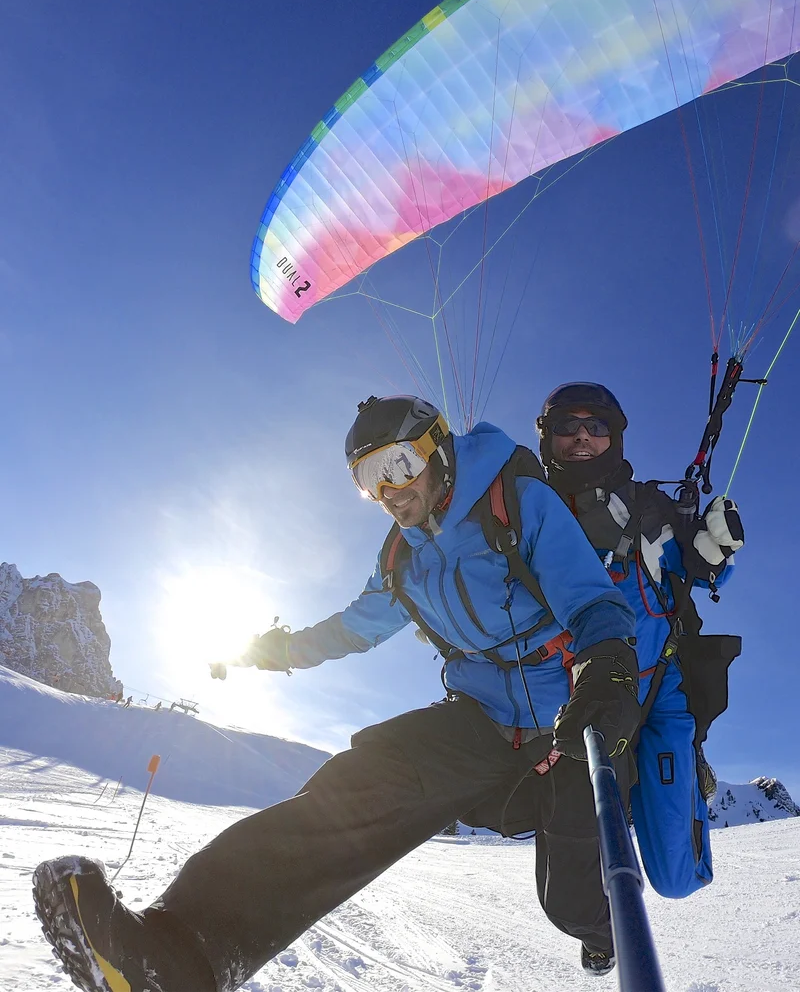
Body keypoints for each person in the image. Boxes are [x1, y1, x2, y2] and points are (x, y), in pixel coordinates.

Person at [33, 394, 638, 991]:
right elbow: (352, 629)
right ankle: (180, 956)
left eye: (398, 465)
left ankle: (600, 934)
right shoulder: (403, 559)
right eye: (369, 479)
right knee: (353, 789)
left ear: (439, 450)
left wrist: (607, 663)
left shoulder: (515, 500)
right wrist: (263, 651)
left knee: (571, 901)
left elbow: (590, 598)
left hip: (568, 711)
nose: (390, 490)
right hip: (480, 721)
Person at [535, 382, 744, 899]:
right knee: (581, 883)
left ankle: (685, 772)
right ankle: (599, 931)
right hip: (576, 708)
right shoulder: (525, 514)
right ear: (548, 438)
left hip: (658, 696)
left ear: (616, 437)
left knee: (676, 880)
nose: (582, 437)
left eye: (597, 427)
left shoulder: (651, 511)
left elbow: (701, 572)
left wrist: (720, 550)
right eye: (568, 426)